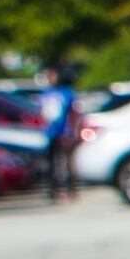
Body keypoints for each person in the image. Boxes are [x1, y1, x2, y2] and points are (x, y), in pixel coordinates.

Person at [33, 61, 81, 204]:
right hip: (50, 132)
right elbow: (42, 113)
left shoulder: (67, 92)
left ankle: (71, 188)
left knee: (67, 162)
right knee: (51, 163)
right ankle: (52, 190)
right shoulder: (46, 93)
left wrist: (72, 131)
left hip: (65, 132)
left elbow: (74, 113)